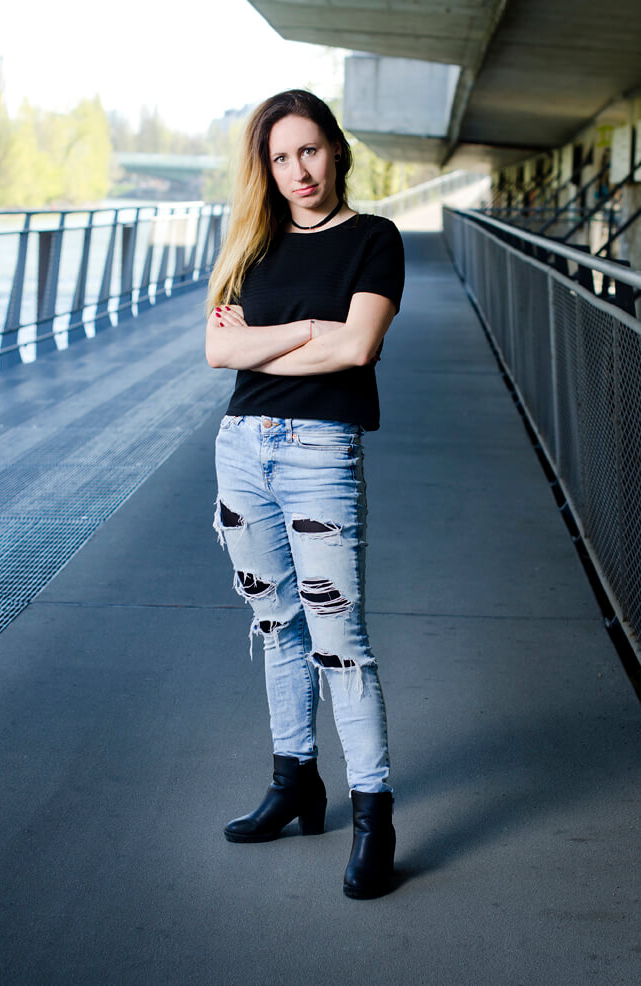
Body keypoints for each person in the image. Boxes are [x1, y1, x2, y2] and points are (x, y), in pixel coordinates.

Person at [205, 89, 405, 899]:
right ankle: (294, 783)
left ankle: (373, 817)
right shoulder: (251, 244)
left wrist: (265, 342)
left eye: (309, 150)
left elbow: (357, 347)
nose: (298, 170)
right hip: (241, 447)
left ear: (336, 149)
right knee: (275, 624)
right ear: (267, 167)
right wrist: (306, 332)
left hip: (320, 451)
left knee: (338, 639)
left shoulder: (373, 239)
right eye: (281, 157)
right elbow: (218, 353)